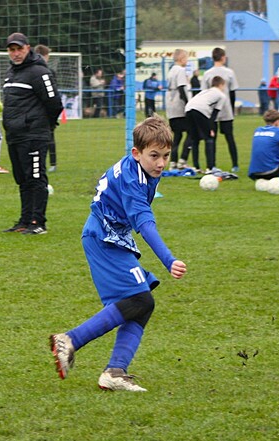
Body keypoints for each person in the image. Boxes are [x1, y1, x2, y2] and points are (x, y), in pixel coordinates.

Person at [49, 115, 186, 392]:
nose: (161, 163)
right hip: (103, 239)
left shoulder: (141, 169)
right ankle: (70, 340)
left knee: (142, 303)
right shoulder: (132, 180)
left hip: (112, 237)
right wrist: (169, 260)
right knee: (139, 299)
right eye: (154, 156)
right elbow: (144, 224)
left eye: (166, 156)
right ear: (136, 153)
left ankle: (115, 371)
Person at [1, 33, 63, 235]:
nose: (16, 53)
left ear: (28, 48)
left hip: (34, 136)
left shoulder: (40, 72)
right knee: (22, 179)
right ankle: (25, 220)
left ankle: (38, 222)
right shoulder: (11, 73)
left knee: (36, 178)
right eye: (12, 50)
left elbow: (54, 103)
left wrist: (44, 125)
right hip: (14, 136)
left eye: (19, 49)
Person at [201, 48, 240, 172]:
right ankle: (235, 164)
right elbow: (233, 93)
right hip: (226, 109)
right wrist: (232, 109)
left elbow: (204, 93)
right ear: (223, 57)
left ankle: (211, 165)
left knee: (211, 139)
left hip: (211, 111)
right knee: (230, 138)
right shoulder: (229, 72)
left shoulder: (207, 74)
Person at [184, 75, 228, 173]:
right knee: (209, 139)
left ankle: (196, 167)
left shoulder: (205, 91)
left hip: (188, 109)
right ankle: (210, 167)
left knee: (195, 138)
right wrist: (211, 128)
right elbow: (214, 114)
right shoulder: (221, 95)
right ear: (221, 85)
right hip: (200, 111)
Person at [34, 44, 58, 172]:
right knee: (49, 138)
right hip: (46, 110)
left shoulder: (31, 71)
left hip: (35, 110)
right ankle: (52, 163)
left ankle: (39, 163)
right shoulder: (49, 72)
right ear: (45, 56)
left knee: (36, 139)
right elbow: (54, 94)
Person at [166, 49, 191, 169]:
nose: (187, 61)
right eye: (186, 58)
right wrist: (188, 105)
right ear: (181, 59)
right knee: (192, 132)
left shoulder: (171, 71)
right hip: (180, 108)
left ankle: (173, 162)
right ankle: (183, 160)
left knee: (177, 135)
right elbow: (181, 89)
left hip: (171, 107)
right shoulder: (181, 70)